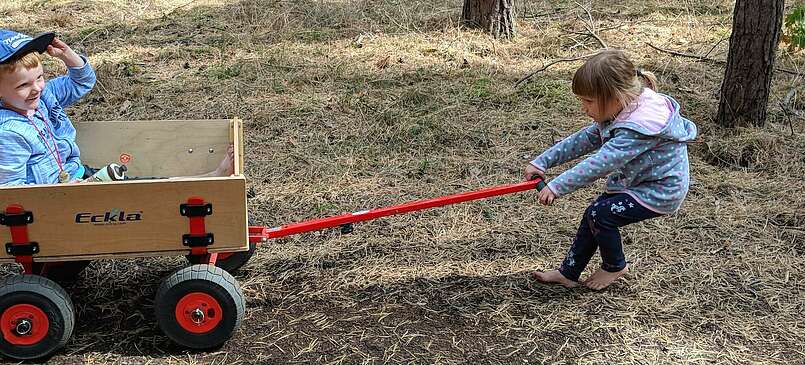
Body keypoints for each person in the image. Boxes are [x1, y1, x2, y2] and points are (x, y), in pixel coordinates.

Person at [524, 49, 697, 290]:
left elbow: (600, 163)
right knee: (593, 215)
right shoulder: (622, 107)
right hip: (637, 182)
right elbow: (584, 139)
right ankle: (569, 273)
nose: (584, 108)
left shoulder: (637, 128)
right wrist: (542, 162)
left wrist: (557, 186)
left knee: (600, 215)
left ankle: (615, 265)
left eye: (588, 101)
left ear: (615, 97)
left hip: (660, 190)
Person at [0, 29, 233, 185]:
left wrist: (68, 56)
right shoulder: (9, 133)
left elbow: (82, 82)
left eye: (39, 77)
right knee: (144, 194)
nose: (37, 88)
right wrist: (64, 193)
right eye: (23, 85)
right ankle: (210, 181)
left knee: (143, 185)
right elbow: (14, 191)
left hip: (80, 176)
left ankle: (208, 182)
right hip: (59, 201)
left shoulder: (45, 96)